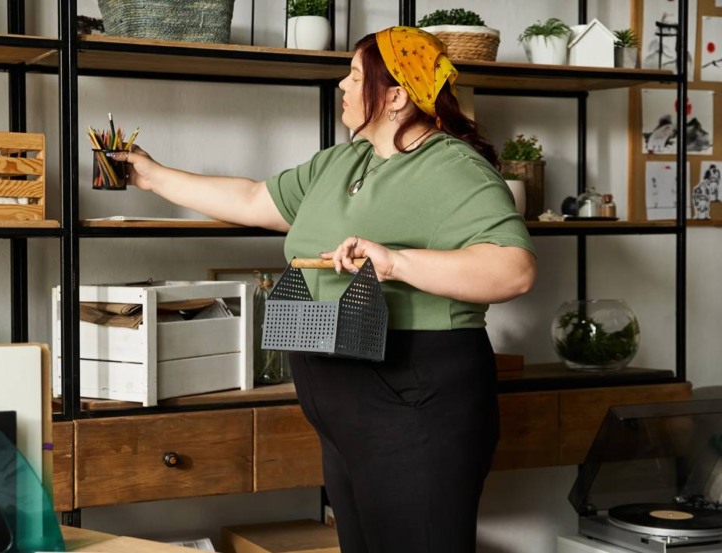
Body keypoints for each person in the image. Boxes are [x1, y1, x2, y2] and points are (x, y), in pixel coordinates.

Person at [111, 26, 536, 553]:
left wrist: (396, 261)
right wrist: (151, 177)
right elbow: (250, 200)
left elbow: (512, 270)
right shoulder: (341, 162)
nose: (342, 84)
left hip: (415, 405)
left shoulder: (455, 169)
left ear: (397, 95)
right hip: (343, 409)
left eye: (355, 75)